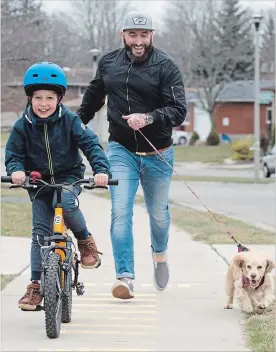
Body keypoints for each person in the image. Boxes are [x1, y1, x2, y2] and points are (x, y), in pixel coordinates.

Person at [77, 10, 187, 300]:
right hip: (121, 149)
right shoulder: (110, 63)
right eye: (133, 34)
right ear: (123, 35)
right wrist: (74, 126)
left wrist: (148, 118)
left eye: (144, 34)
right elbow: (94, 97)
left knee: (159, 216)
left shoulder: (166, 66)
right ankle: (125, 277)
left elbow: (178, 111)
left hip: (158, 152)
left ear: (152, 35)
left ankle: (160, 256)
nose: (138, 40)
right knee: (121, 213)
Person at [5, 62, 112, 311]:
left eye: (50, 98)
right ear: (30, 98)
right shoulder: (23, 125)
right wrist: (17, 171)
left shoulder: (71, 121)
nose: (44, 103)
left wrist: (101, 171)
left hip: (69, 177)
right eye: (38, 98)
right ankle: (35, 285)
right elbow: (13, 153)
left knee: (64, 200)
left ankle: (85, 240)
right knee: (40, 234)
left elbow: (91, 145)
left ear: (59, 98)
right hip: (38, 181)